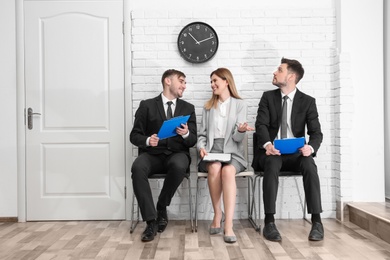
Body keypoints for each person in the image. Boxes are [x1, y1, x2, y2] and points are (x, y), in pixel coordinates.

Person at [252, 58, 324, 242]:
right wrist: (268, 145)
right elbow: (261, 125)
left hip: (294, 154)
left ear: (291, 76)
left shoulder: (307, 102)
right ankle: (269, 222)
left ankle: (317, 221)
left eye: (279, 70)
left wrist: (311, 147)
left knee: (309, 163)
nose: (275, 73)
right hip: (271, 153)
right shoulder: (268, 98)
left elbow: (316, 133)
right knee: (272, 161)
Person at [130, 69, 197, 242]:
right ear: (168, 81)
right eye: (181, 81)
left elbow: (192, 141)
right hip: (153, 154)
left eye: (185, 82)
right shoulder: (147, 105)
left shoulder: (188, 108)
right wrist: (147, 140)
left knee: (179, 165)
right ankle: (151, 221)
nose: (184, 85)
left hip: (177, 154)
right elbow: (134, 135)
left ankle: (162, 205)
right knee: (137, 167)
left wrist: (185, 133)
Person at [197, 68, 254, 243]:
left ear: (226, 82)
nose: (212, 85)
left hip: (233, 152)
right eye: (211, 82)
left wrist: (241, 130)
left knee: (228, 172)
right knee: (214, 167)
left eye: (215, 81)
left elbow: (237, 138)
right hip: (212, 151)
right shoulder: (208, 108)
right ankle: (217, 214)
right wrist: (201, 147)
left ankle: (228, 225)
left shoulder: (239, 105)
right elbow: (202, 135)